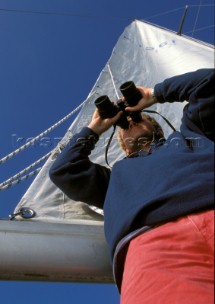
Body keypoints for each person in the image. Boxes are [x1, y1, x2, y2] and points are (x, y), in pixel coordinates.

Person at [49, 68, 214, 304]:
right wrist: (96, 127)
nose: (129, 122)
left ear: (156, 127)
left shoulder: (193, 135)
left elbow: (209, 84)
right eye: (123, 127)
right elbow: (63, 170)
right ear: (124, 148)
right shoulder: (113, 179)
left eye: (136, 118)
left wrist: (154, 94)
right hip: (154, 248)